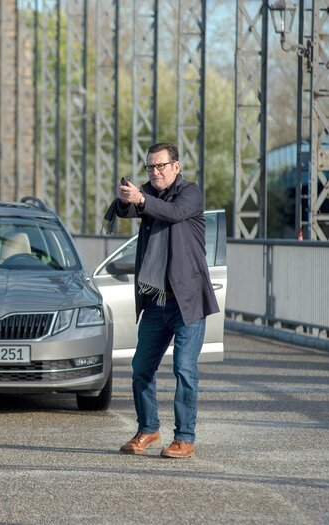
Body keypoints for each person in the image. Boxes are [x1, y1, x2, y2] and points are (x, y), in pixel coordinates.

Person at [114, 143, 219, 459]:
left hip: (187, 300)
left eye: (161, 165)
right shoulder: (148, 194)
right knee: (140, 369)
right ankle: (148, 429)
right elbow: (127, 211)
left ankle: (184, 437)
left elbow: (173, 213)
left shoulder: (190, 193)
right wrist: (125, 200)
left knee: (184, 368)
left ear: (176, 166)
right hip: (155, 300)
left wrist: (142, 200)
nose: (155, 172)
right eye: (150, 167)